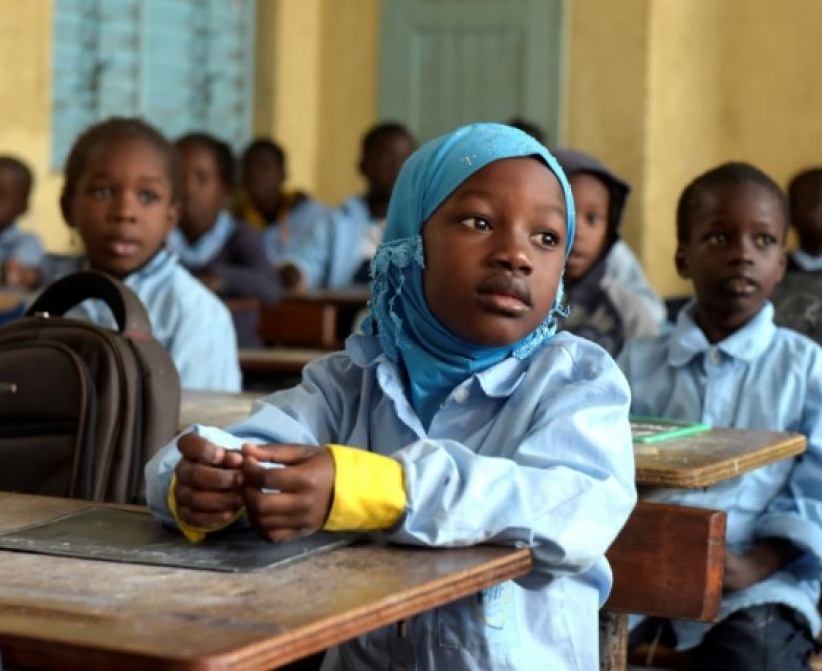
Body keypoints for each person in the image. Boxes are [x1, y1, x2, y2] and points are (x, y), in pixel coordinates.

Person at [144, 123, 636, 669]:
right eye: (479, 222)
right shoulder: (350, 380)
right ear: (407, 241)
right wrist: (201, 483)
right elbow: (242, 445)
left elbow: (572, 507)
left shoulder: (577, 381)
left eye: (546, 238)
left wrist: (383, 490)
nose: (516, 256)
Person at [619, 162, 822, 671]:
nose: (741, 255)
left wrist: (759, 563)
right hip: (637, 573)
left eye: (763, 241)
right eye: (718, 237)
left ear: (781, 263)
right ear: (683, 257)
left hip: (758, 585)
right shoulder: (634, 364)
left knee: (749, 657)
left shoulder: (809, 372)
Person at [46, 117, 241, 391]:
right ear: (68, 207)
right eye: (103, 192)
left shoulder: (198, 314)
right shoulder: (48, 302)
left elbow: (203, 425)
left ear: (171, 217)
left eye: (148, 196)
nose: (125, 212)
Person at [553, 148, 659, 355]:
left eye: (592, 219)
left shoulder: (629, 314)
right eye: (564, 214)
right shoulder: (516, 298)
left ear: (609, 231)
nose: (579, 232)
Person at [169, 132, 281, 305]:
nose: (188, 189)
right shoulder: (159, 236)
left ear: (225, 190)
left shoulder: (242, 236)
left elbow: (271, 288)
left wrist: (221, 277)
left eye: (202, 179)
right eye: (179, 178)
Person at [303, 122, 416, 288]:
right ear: (363, 166)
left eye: (406, 158)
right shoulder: (335, 221)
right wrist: (296, 272)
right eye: (387, 157)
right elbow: (307, 265)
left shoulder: (428, 221)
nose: (398, 167)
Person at [236, 137, 330, 291]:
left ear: (283, 174)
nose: (254, 174)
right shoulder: (235, 219)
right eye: (247, 168)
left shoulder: (312, 214)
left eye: (263, 167)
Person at [0, 155, 44, 288]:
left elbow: (14, 278)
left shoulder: (27, 242)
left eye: (1, 195)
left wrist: (10, 272)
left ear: (23, 207)